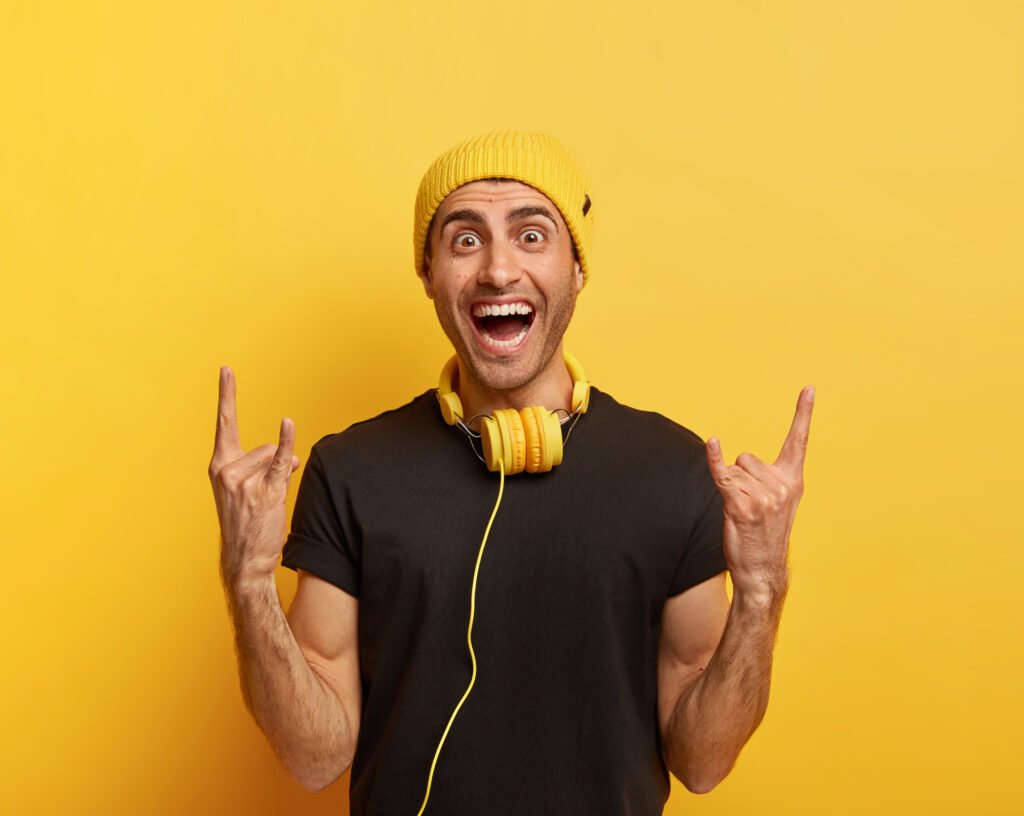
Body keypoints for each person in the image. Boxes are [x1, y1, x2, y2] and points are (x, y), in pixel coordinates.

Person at [208, 131, 815, 815]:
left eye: (532, 236)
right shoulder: (350, 471)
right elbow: (313, 758)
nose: (498, 270)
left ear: (577, 269)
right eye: (465, 241)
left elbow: (702, 764)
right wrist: (249, 580)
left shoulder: (674, 472)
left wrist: (762, 590)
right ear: (429, 275)